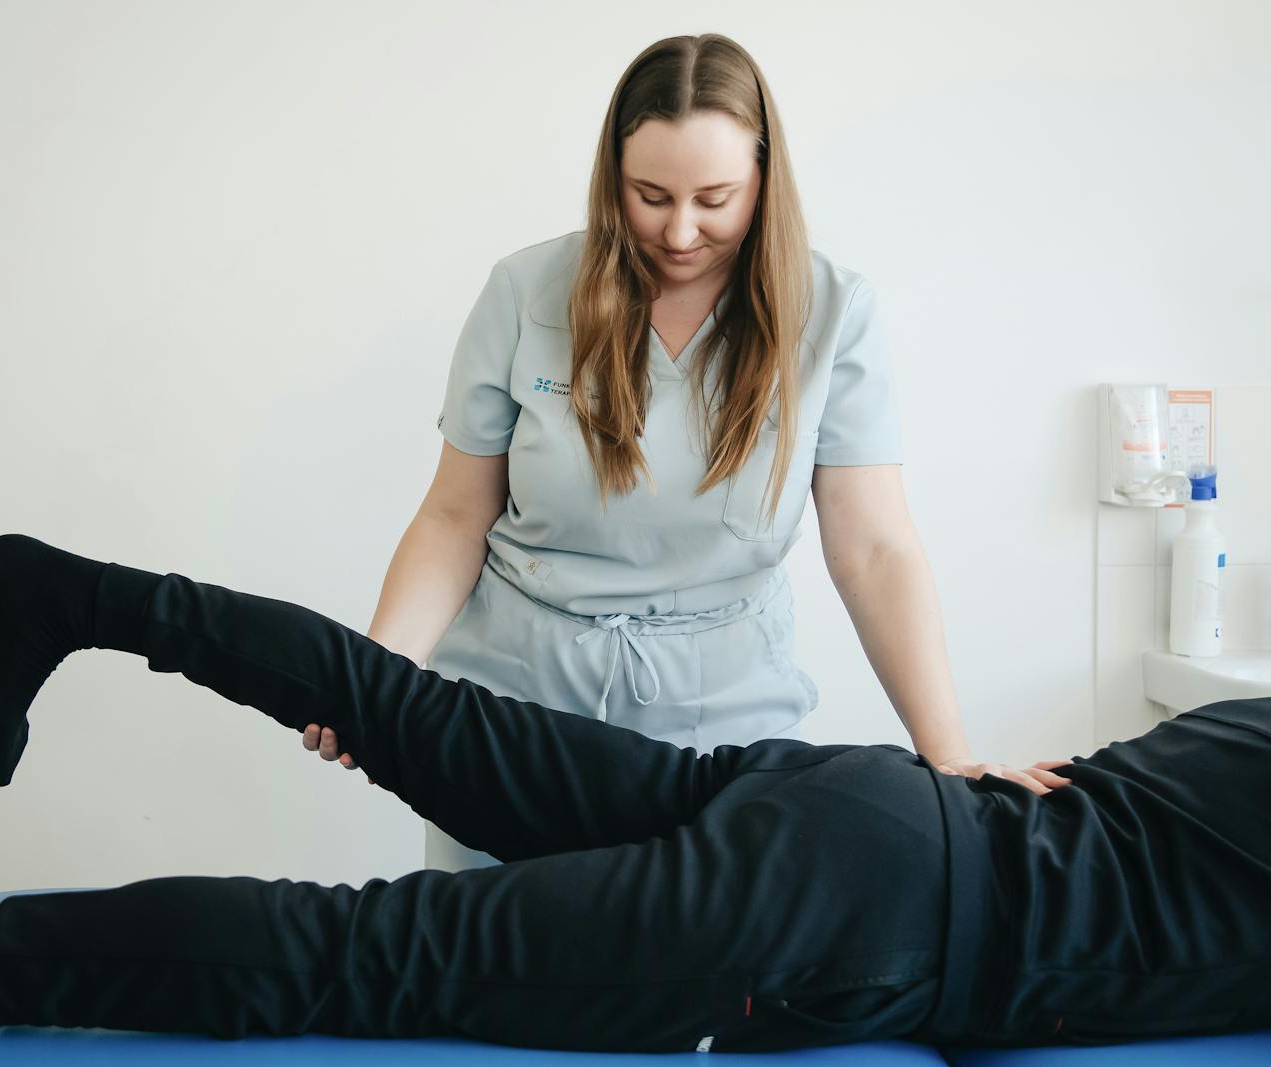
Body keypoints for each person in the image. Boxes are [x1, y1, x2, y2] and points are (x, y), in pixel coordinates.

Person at [0, 534, 1271, 1066]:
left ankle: (74, 592)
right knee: (372, 954)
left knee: (415, 714)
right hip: (869, 915)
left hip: (864, 803)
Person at [300, 32, 1066, 876]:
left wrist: (947, 754)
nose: (682, 229)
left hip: (721, 736)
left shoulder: (832, 313)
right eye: (651, 195)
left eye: (716, 197)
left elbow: (874, 547)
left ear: (765, 181)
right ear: (611, 175)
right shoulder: (526, 293)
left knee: (694, 989)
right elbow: (453, 517)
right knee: (494, 980)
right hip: (513, 718)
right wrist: (375, 675)